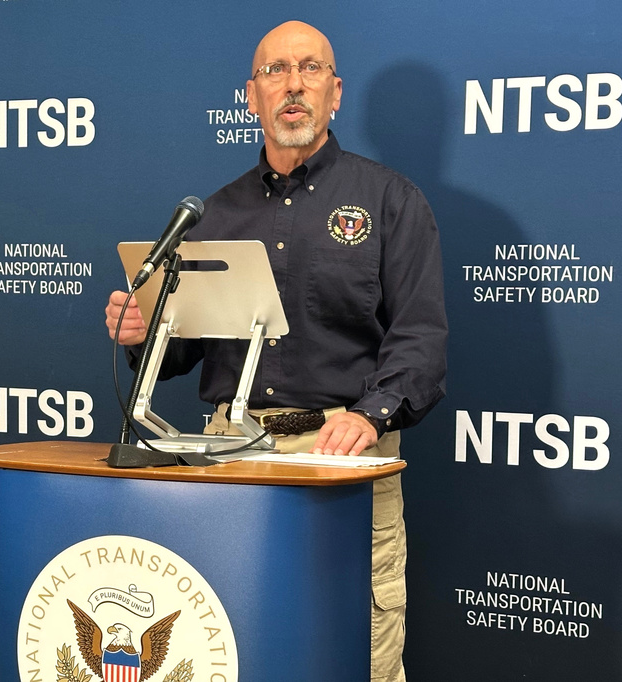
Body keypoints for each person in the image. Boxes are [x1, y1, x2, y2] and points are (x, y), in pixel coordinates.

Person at [105, 21, 447, 682]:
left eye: (310, 69)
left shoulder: (391, 202)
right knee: (233, 647)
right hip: (228, 461)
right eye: (275, 72)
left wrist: (370, 415)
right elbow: (186, 348)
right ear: (251, 97)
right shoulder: (215, 213)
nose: (293, 85)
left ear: (335, 93)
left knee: (355, 658)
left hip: (342, 458)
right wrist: (143, 332)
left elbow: (420, 339)